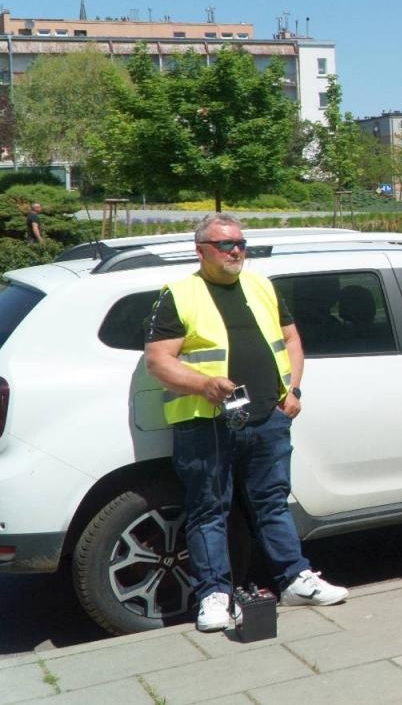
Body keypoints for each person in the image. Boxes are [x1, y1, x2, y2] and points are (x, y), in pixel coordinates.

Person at [144, 214, 348, 633]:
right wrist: (204, 384)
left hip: (267, 418)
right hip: (208, 423)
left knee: (272, 503)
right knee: (209, 511)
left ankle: (295, 579)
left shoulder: (261, 284)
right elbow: (157, 361)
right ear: (200, 250)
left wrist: (291, 391)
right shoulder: (180, 295)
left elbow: (290, 339)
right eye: (225, 244)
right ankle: (213, 596)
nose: (236, 250)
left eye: (240, 242)